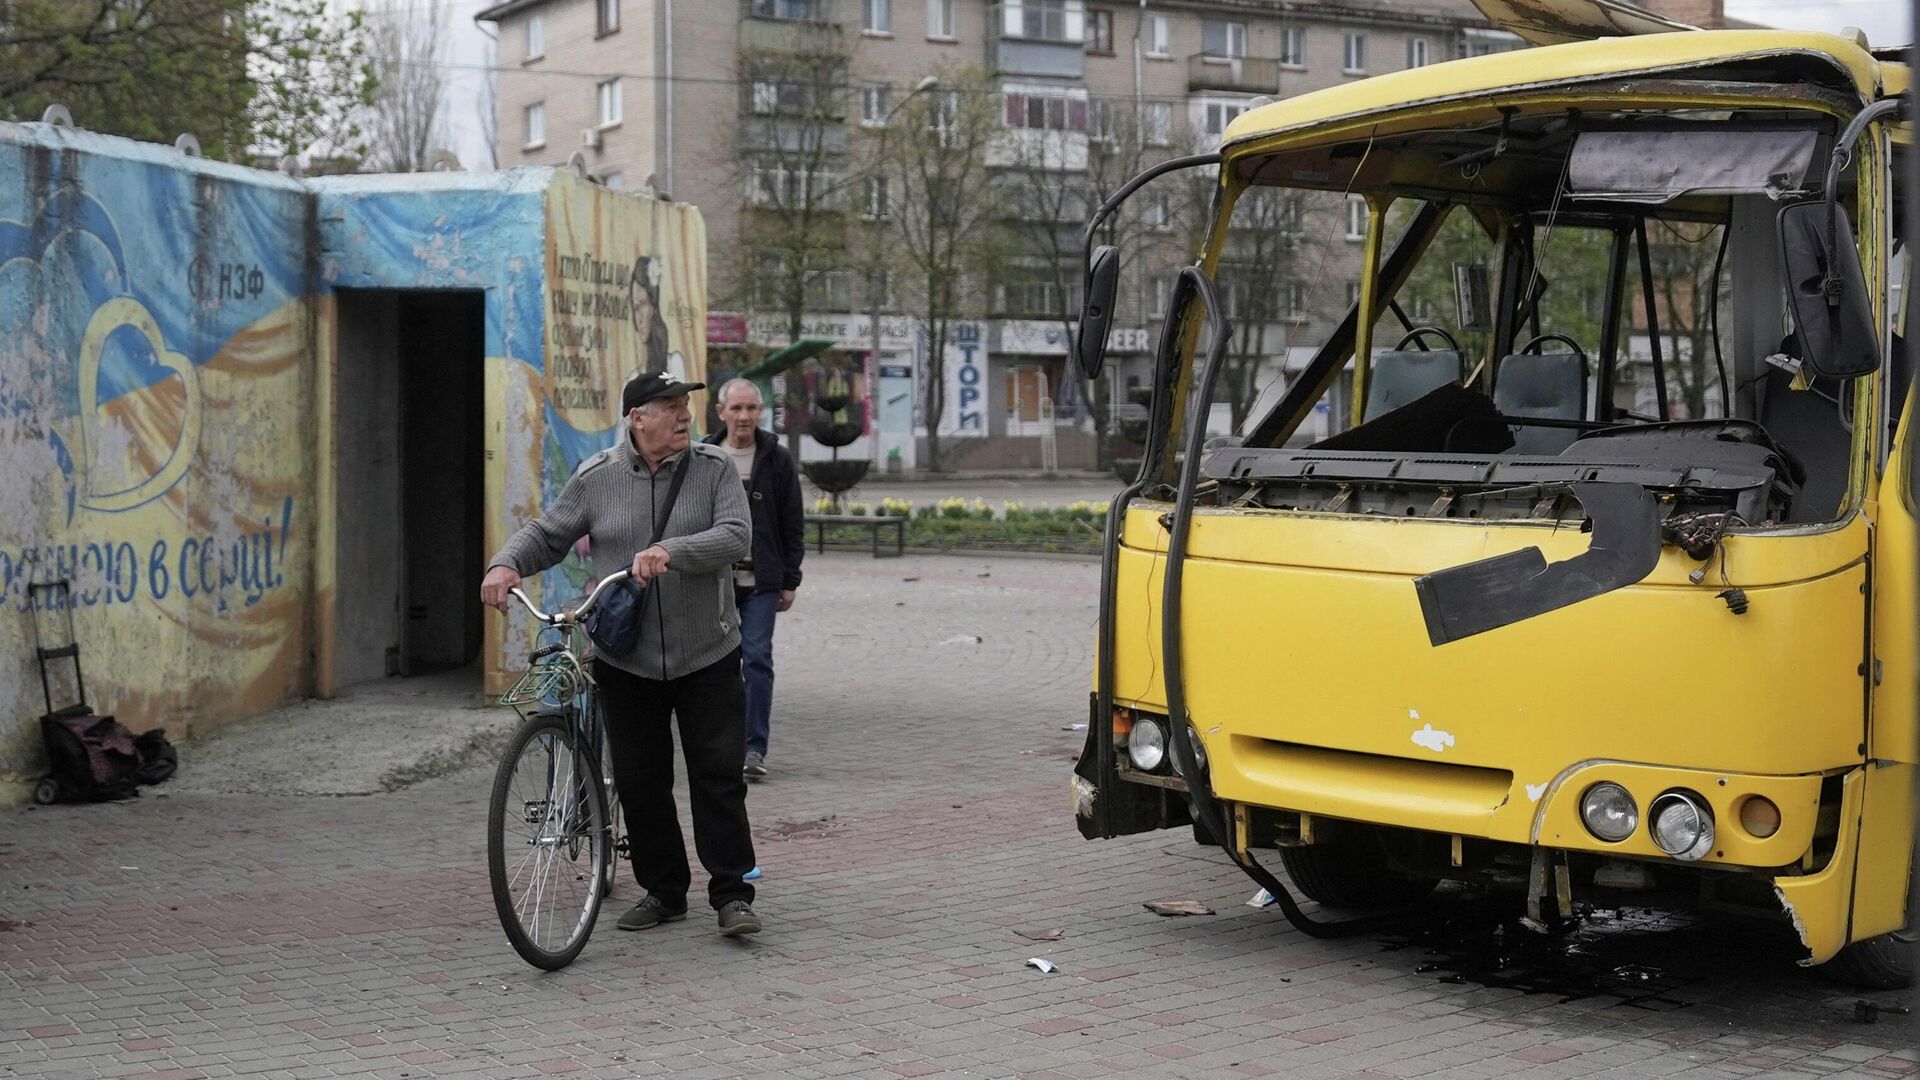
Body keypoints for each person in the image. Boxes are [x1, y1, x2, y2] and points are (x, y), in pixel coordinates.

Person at [480, 372, 763, 937]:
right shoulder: (598, 477)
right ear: (637, 418)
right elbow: (549, 532)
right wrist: (505, 563)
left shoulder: (713, 469)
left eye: (685, 405)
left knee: (717, 776)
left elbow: (737, 535)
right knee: (640, 780)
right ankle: (664, 892)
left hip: (707, 650)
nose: (684, 415)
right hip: (626, 657)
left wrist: (672, 551)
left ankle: (732, 894)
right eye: (670, 406)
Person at [701, 379, 804, 781]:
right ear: (721, 412)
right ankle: (718, 745)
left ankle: (753, 748)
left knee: (757, 659)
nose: (743, 417)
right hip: (715, 583)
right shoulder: (704, 457)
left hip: (762, 582)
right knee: (715, 665)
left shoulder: (776, 459)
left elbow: (792, 523)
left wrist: (790, 579)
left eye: (750, 409)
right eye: (736, 409)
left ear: (760, 411)